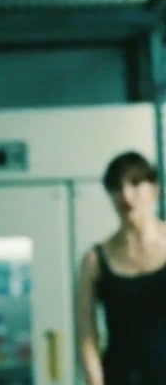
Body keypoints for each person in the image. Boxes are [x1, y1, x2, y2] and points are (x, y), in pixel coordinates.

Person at [77, 151, 166, 385]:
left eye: (135, 183)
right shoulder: (94, 260)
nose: (126, 195)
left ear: (154, 190)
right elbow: (87, 334)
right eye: (117, 187)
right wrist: (94, 379)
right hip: (122, 375)